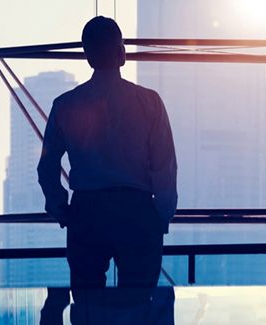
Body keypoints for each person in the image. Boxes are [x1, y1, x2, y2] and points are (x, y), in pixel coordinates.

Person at [37, 16, 177, 290]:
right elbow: (164, 166)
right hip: (137, 211)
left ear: (87, 56)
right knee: (140, 304)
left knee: (88, 305)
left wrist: (61, 209)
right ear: (121, 52)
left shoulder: (65, 104)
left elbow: (47, 166)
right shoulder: (149, 102)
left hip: (87, 211)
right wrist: (160, 215)